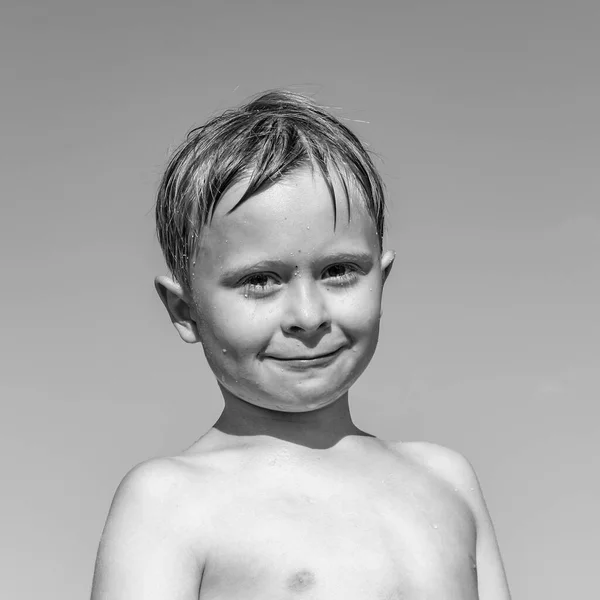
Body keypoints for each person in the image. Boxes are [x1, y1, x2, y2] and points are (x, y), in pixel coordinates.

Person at [90, 90, 511, 600]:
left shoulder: (447, 481)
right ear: (185, 311)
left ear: (382, 280)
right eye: (261, 281)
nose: (308, 316)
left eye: (338, 271)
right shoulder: (170, 500)